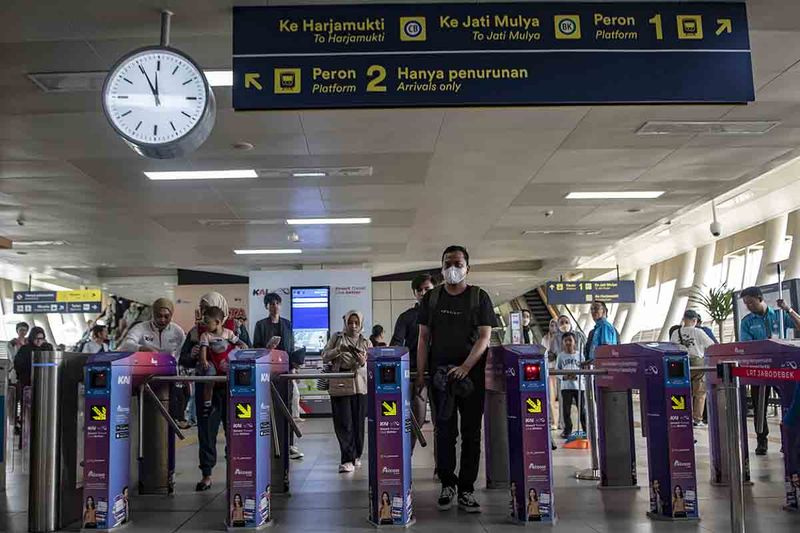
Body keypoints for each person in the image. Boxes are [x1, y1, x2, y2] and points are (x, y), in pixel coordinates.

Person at [417, 245, 496, 514]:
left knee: (472, 433)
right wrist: (420, 374)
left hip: (471, 377)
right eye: (448, 263)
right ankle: (447, 484)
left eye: (458, 263)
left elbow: (485, 337)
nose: (453, 268)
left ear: (467, 268)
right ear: (441, 268)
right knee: (444, 431)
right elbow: (423, 338)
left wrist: (466, 365)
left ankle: (466, 489)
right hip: (441, 378)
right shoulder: (432, 298)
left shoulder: (479, 297)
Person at [180, 292, 236, 491]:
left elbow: (247, 351)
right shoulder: (196, 333)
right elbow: (183, 359)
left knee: (236, 430)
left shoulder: (235, 328)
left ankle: (236, 469)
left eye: (207, 308)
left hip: (232, 389)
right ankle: (206, 474)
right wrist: (193, 355)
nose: (203, 313)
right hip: (206, 388)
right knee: (206, 433)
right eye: (202, 308)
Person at [739, 286, 800, 454]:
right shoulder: (747, 322)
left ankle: (788, 439)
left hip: (783, 366)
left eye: (751, 302)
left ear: (760, 298)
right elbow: (747, 345)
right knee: (760, 405)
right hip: (760, 367)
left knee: (789, 402)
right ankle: (761, 441)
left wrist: (789, 309)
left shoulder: (779, 315)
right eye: (746, 304)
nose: (748, 306)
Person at [118, 298, 188, 426]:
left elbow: (181, 353)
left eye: (166, 316)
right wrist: (141, 348)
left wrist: (177, 369)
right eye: (158, 316)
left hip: (169, 376)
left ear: (171, 315)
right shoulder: (141, 328)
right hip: (145, 376)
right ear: (153, 314)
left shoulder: (177, 332)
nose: (162, 320)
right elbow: (126, 345)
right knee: (145, 412)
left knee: (170, 412)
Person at [252, 292, 303, 460]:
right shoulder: (260, 325)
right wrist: (267, 347)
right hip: (267, 371)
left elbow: (291, 346)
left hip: (285, 370)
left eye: (277, 303)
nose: (274, 306)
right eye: (271, 303)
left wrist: (294, 365)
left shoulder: (287, 324)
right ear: (267, 306)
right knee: (266, 406)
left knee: (286, 406)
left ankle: (289, 443)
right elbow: (256, 348)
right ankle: (266, 442)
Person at [390, 273, 435, 451]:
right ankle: (404, 462)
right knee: (416, 418)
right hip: (416, 374)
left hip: (439, 372)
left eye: (427, 289)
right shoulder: (407, 317)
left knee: (443, 423)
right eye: (419, 290)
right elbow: (396, 344)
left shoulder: (443, 315)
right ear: (414, 293)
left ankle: (442, 468)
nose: (423, 293)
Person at [322, 310, 370, 473]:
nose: (353, 326)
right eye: (350, 322)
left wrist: (363, 362)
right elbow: (325, 356)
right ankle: (347, 458)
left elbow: (371, 364)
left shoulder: (366, 341)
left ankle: (356, 455)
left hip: (360, 385)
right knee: (344, 423)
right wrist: (338, 350)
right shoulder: (337, 338)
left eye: (356, 322)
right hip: (340, 384)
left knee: (358, 423)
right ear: (345, 322)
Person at [198, 306, 246, 413]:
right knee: (209, 380)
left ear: (217, 322)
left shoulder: (228, 333)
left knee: (234, 377)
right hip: (212, 363)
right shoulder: (205, 335)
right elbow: (203, 349)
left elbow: (238, 342)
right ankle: (207, 403)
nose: (205, 325)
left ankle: (236, 399)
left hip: (224, 362)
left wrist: (244, 345)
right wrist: (204, 360)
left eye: (207, 322)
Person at [670, 310, 715, 427]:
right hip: (697, 362)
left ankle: (685, 416)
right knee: (700, 392)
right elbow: (711, 345)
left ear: (684, 319)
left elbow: (672, 347)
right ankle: (697, 419)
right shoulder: (698, 332)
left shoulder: (676, 332)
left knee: (684, 390)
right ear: (695, 320)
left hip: (680, 363)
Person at [556, 332, 586, 438]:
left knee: (582, 409)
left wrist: (578, 377)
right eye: (566, 341)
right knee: (566, 410)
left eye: (570, 340)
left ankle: (586, 430)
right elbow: (557, 371)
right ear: (563, 343)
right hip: (566, 387)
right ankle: (567, 430)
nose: (568, 342)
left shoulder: (579, 355)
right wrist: (564, 377)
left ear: (575, 342)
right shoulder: (561, 356)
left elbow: (584, 370)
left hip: (579, 387)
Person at [541, 318, 560, 431]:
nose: (553, 327)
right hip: (549, 370)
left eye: (555, 324)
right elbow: (543, 353)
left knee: (561, 398)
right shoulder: (545, 338)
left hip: (560, 370)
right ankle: (554, 421)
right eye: (551, 324)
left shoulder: (562, 338)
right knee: (551, 397)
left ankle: (561, 421)